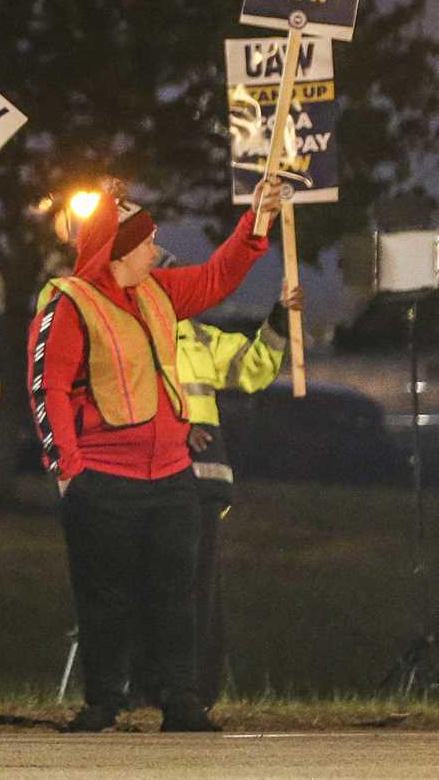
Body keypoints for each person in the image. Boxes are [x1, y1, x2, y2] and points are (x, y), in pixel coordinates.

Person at [26, 178, 281, 735]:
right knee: (105, 598)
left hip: (170, 476)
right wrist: (68, 471)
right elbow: (47, 388)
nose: (154, 248)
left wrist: (257, 221)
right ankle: (102, 704)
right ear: (118, 252)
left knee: (177, 595)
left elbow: (219, 276)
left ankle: (182, 703)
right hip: (102, 477)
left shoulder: (159, 292)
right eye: (143, 242)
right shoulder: (70, 302)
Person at [158, 277, 303, 708]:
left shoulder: (196, 335)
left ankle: (195, 691)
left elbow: (254, 366)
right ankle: (159, 686)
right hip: (152, 475)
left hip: (201, 482)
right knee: (163, 585)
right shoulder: (132, 333)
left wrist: (280, 316)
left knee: (199, 588)